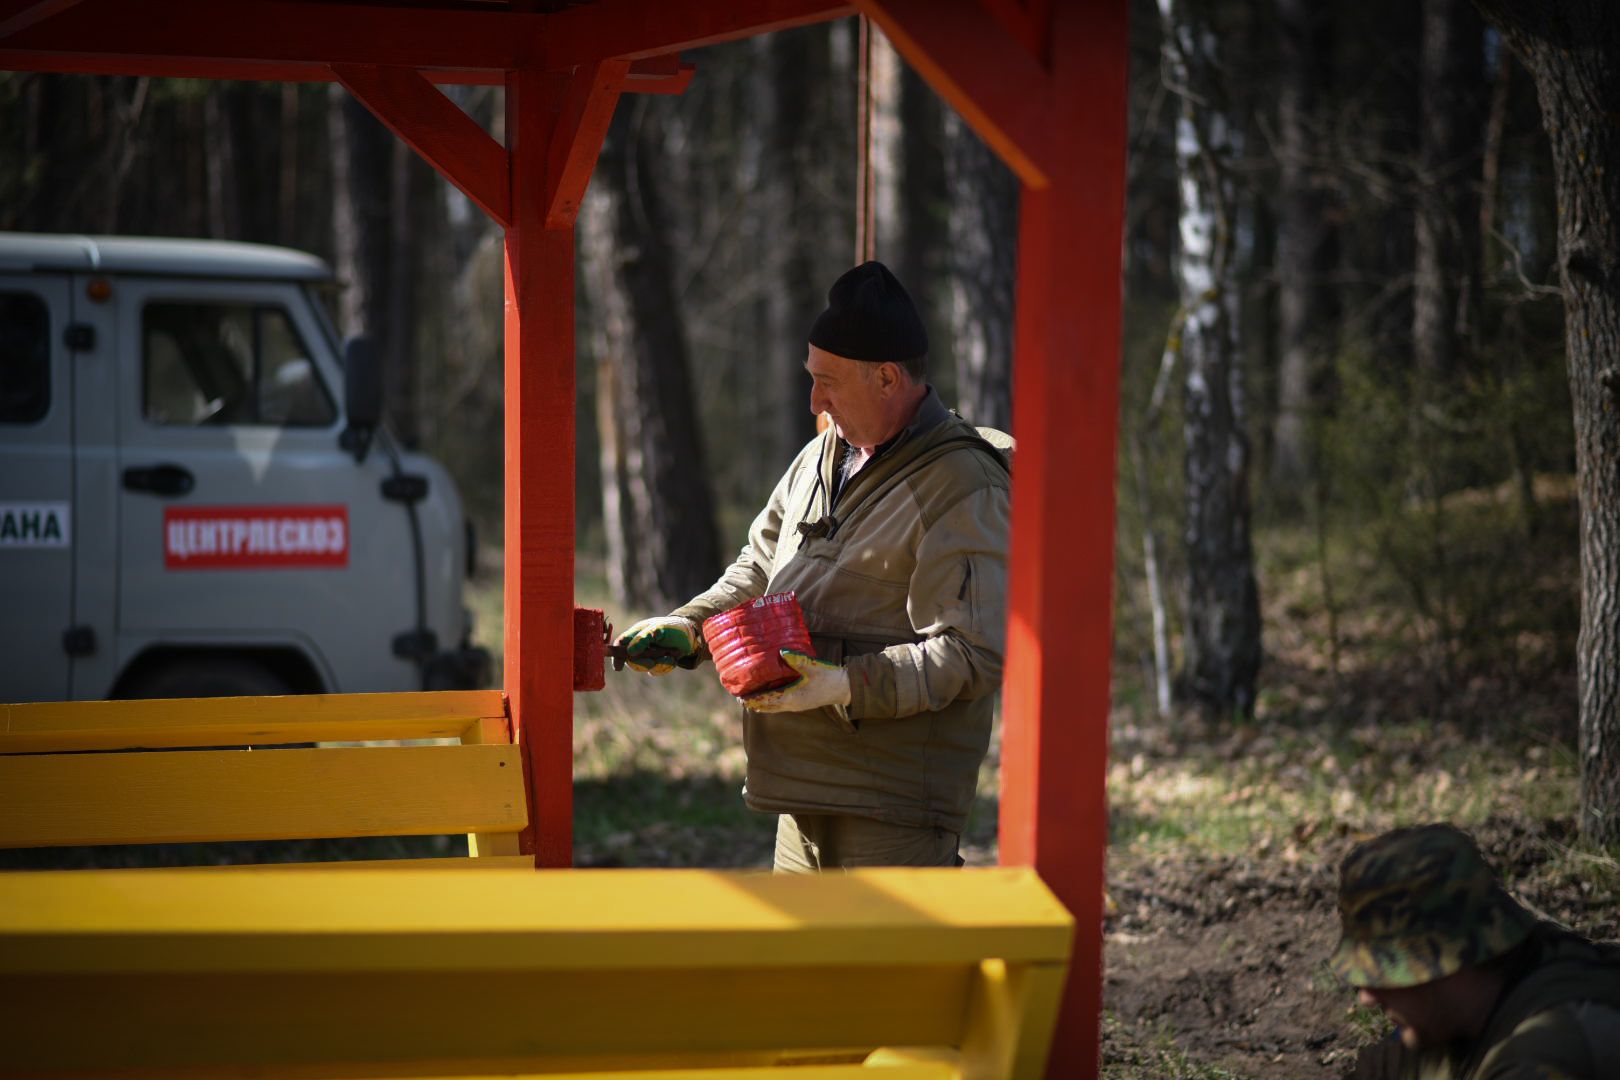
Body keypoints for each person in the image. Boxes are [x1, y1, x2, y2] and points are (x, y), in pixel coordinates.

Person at [614, 261, 1011, 873]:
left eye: (828, 382)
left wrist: (845, 684)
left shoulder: (962, 484)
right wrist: (690, 626)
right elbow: (759, 567)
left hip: (893, 810)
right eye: (812, 379)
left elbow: (973, 653)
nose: (814, 401)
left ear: (886, 377)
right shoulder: (818, 456)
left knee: (879, 947)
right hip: (799, 798)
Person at [1332, 822, 1620, 1079]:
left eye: (1384, 971)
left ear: (1448, 960)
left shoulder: (1543, 1052)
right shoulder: (1446, 1022)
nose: (1367, 996)